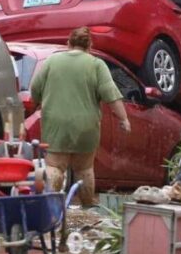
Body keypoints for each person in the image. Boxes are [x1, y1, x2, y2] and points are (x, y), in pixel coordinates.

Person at [30, 27, 130, 206]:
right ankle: (87, 208)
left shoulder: (52, 61)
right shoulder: (96, 64)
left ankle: (51, 207)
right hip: (86, 126)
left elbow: (35, 89)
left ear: (68, 43)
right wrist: (124, 119)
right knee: (84, 169)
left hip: (55, 124)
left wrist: (38, 101)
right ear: (89, 46)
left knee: (55, 167)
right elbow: (111, 94)